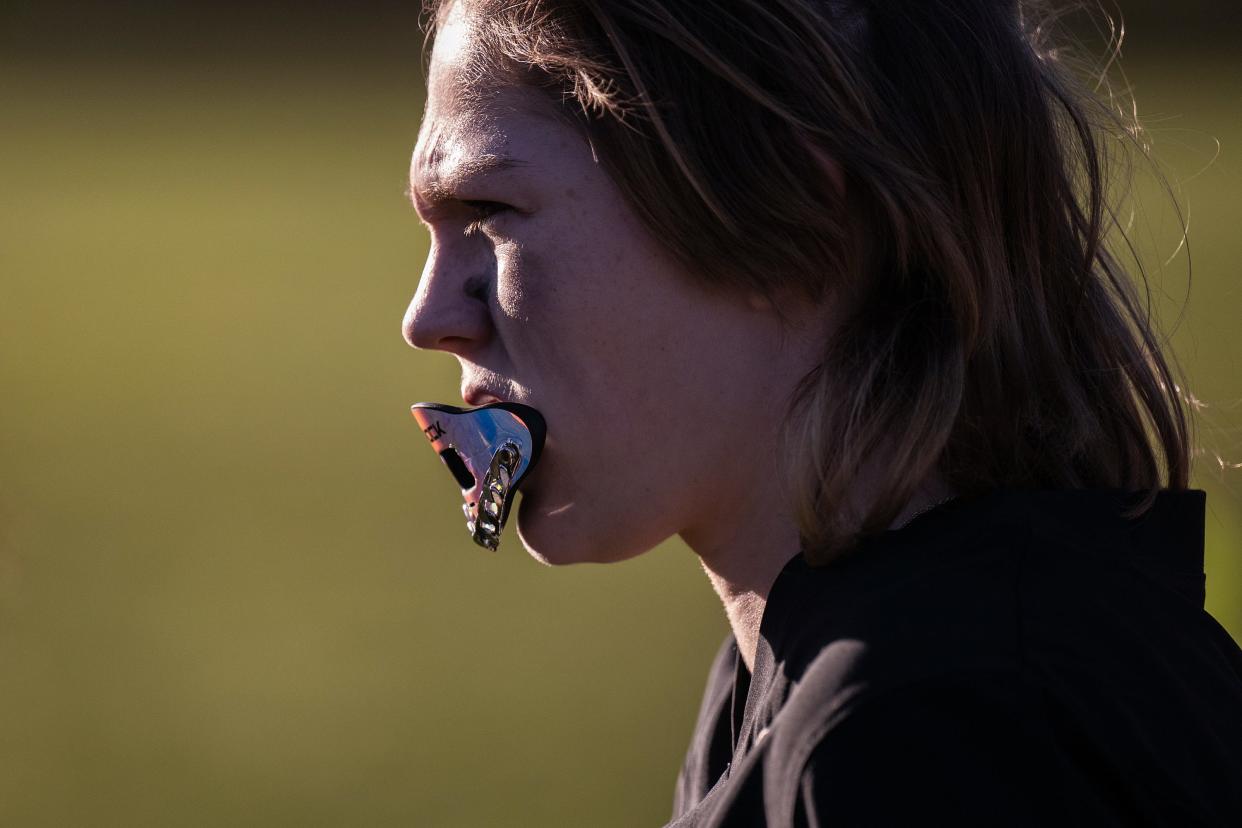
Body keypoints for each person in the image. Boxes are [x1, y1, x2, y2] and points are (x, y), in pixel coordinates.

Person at [401, 0, 1242, 824]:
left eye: (491, 211)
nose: (426, 317)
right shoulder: (778, 682)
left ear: (796, 208)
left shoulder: (921, 729)